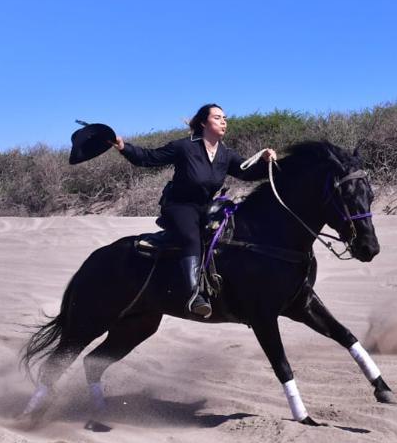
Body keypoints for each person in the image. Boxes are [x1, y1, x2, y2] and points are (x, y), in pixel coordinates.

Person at [112, 104, 277, 318]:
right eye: (217, 117)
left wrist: (267, 162)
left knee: (231, 232)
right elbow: (149, 157)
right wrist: (123, 146)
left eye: (225, 118)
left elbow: (247, 173)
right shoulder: (184, 147)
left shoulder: (226, 154)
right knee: (192, 238)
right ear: (203, 123)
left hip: (207, 207)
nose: (223, 121)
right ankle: (194, 295)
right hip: (179, 205)